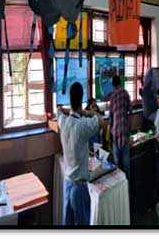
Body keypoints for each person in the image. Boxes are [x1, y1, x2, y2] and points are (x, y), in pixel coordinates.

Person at [57, 82, 106, 225]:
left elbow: (59, 110)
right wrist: (88, 112)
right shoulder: (83, 125)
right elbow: (101, 122)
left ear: (70, 98)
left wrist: (73, 109)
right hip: (79, 188)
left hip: (67, 183)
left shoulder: (62, 121)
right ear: (81, 100)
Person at [109, 75, 131, 177]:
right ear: (120, 83)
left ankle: (119, 184)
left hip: (116, 133)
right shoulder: (125, 93)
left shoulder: (112, 96)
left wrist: (110, 131)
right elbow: (130, 110)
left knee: (117, 162)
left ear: (113, 85)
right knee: (126, 162)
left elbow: (110, 117)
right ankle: (127, 184)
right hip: (125, 132)